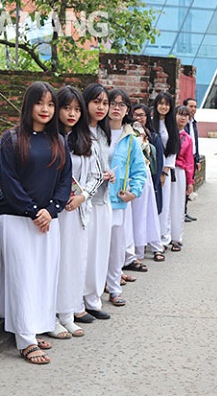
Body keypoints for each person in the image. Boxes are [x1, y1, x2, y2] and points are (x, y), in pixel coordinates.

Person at [0, 81, 71, 364]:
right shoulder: (11, 139)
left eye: (51, 104)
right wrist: (33, 211)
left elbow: (65, 182)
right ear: (29, 105)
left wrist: (51, 210)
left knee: (43, 277)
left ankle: (35, 326)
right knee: (22, 276)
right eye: (40, 103)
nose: (46, 109)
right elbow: (9, 182)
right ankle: (25, 340)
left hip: (48, 220)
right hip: (17, 219)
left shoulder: (59, 141)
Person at [50, 86, 103, 339]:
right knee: (55, 263)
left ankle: (68, 313)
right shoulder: (49, 140)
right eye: (66, 108)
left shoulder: (87, 141)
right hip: (56, 212)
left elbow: (96, 176)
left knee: (74, 262)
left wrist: (82, 197)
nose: (72, 114)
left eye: (76, 109)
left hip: (78, 211)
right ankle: (51, 315)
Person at [77, 83, 115, 323]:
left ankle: (93, 299)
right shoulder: (78, 134)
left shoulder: (103, 133)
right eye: (96, 102)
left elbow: (103, 165)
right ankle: (78, 300)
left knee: (100, 252)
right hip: (84, 203)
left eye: (105, 103)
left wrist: (109, 173)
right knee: (84, 252)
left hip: (104, 200)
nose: (101, 107)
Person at [106, 88, 147, 307]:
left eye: (121, 105)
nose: (116, 108)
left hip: (117, 201)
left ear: (127, 110)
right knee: (94, 249)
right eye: (112, 103)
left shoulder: (130, 138)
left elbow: (139, 171)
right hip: (92, 201)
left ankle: (114, 288)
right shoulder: (94, 133)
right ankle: (90, 292)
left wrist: (134, 192)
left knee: (115, 248)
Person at [131, 104, 166, 262]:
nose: (139, 118)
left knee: (149, 213)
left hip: (147, 178)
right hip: (132, 179)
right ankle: (137, 249)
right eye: (136, 115)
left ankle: (155, 246)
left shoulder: (153, 136)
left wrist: (159, 177)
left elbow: (158, 159)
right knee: (136, 216)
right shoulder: (128, 134)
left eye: (142, 115)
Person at [153, 91, 180, 250]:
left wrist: (164, 171)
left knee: (165, 205)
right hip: (151, 171)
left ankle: (164, 238)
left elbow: (173, 150)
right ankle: (153, 237)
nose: (163, 107)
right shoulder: (151, 123)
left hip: (164, 172)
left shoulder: (172, 127)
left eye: (166, 104)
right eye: (160, 103)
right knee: (152, 205)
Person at [169, 105, 195, 252]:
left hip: (179, 172)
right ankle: (163, 236)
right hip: (167, 170)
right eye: (180, 114)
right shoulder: (167, 134)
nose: (183, 118)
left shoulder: (188, 139)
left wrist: (190, 181)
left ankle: (176, 237)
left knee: (178, 205)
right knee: (165, 204)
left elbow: (189, 161)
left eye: (186, 115)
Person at [183, 97, 200, 222]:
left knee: (188, 187)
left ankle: (185, 211)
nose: (193, 109)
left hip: (192, 158)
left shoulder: (193, 123)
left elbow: (195, 142)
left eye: (195, 107)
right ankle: (181, 212)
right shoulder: (182, 124)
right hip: (184, 160)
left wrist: (198, 159)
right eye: (191, 106)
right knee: (182, 187)